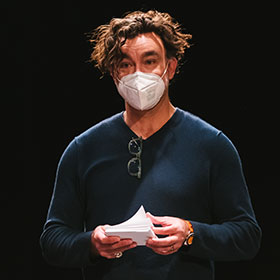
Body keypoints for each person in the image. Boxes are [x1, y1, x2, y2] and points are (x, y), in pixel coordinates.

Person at [40, 10, 262, 280]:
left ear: (170, 67)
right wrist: (92, 243)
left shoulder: (211, 145)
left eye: (149, 61)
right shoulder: (83, 149)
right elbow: (53, 239)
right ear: (114, 73)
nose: (138, 74)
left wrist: (190, 233)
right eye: (125, 64)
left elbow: (247, 235)